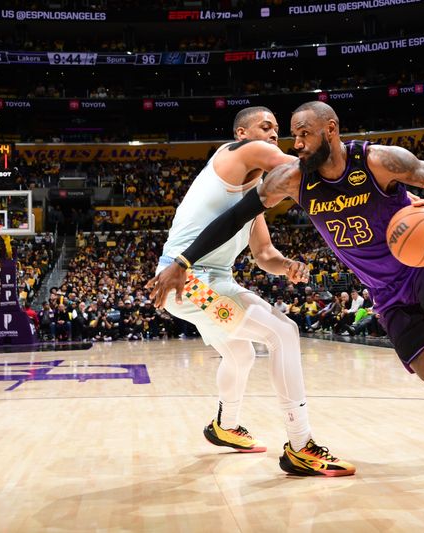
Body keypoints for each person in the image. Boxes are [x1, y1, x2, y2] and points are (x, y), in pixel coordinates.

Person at [150, 101, 424, 473]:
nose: (293, 144)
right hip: (379, 290)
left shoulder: (378, 160)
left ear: (332, 130)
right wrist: (183, 261)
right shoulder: (286, 177)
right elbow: (232, 218)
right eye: (288, 135)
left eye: (301, 134)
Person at [146, 106, 354, 477]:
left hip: (212, 281)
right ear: (242, 134)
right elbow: (297, 167)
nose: (275, 134)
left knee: (240, 355)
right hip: (188, 279)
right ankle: (301, 444)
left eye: (278, 129)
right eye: (266, 126)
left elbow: (264, 255)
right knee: (283, 332)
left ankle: (225, 425)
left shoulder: (254, 196)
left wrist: (287, 265)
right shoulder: (239, 153)